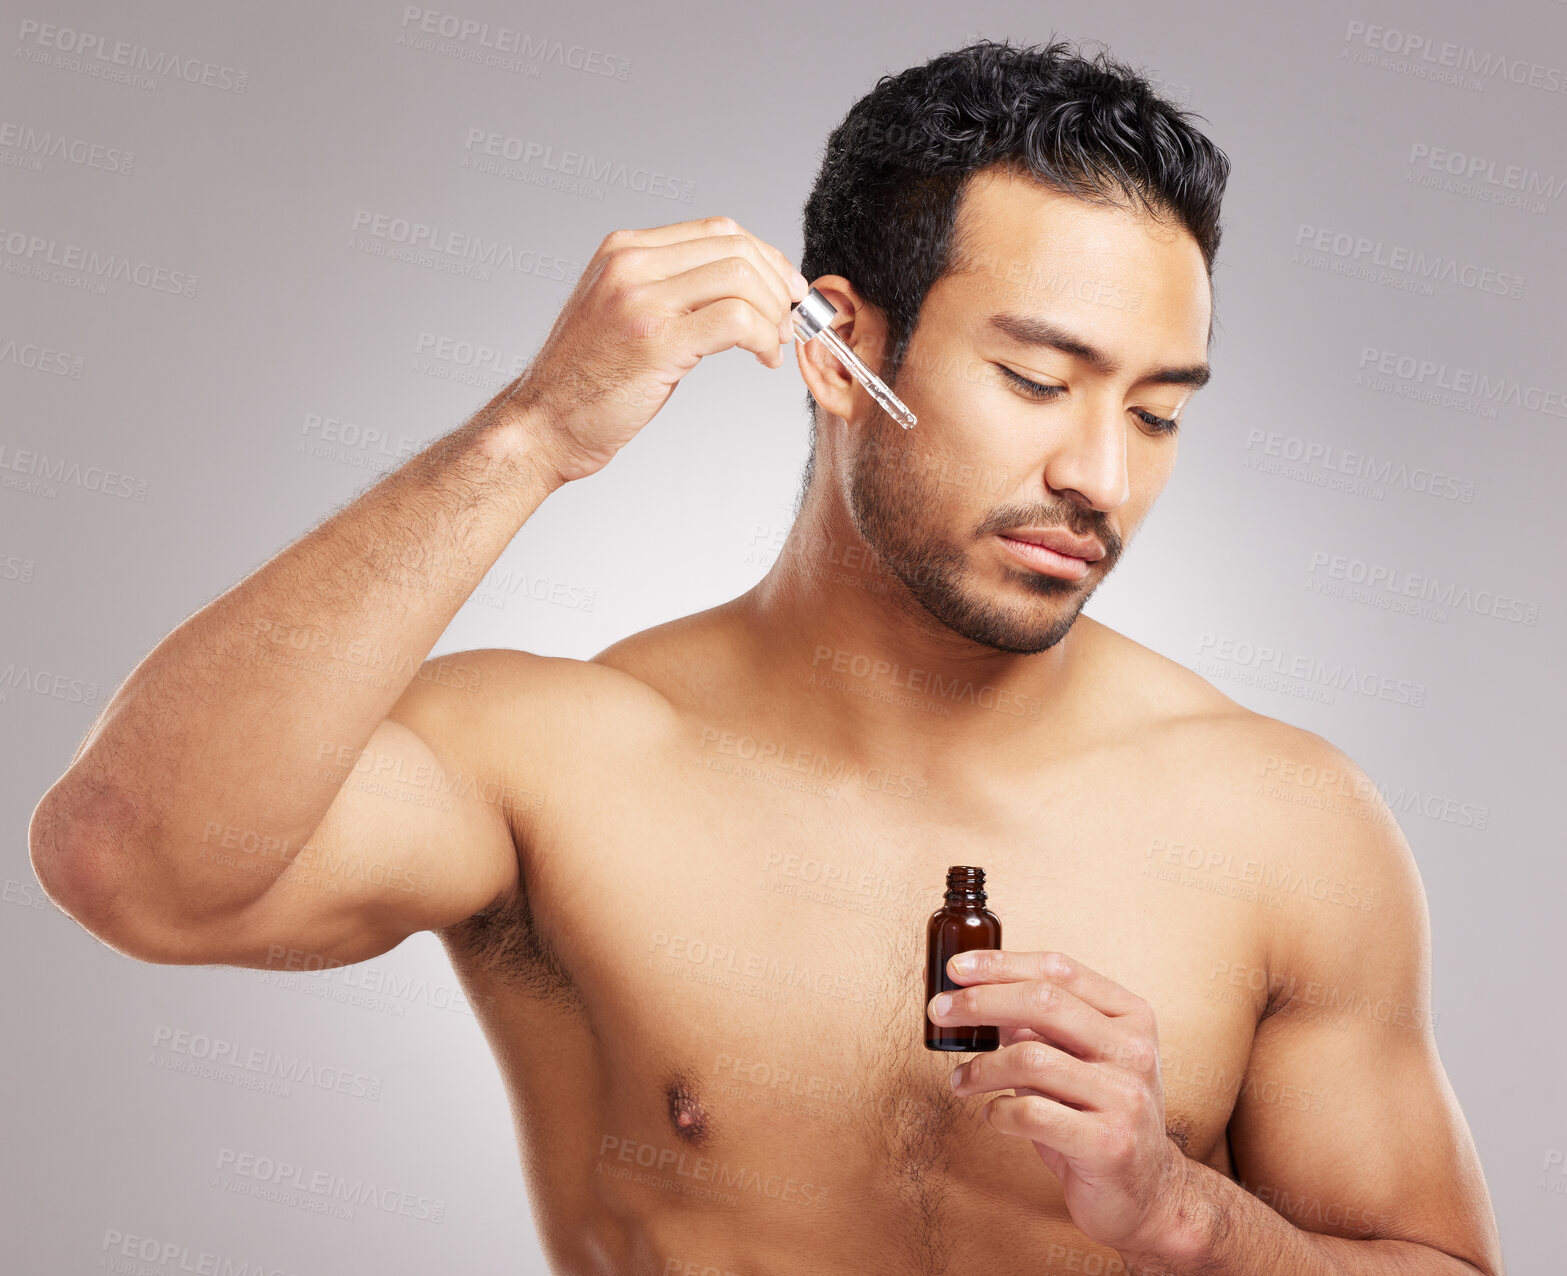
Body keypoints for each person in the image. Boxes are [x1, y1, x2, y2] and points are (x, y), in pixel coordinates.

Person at [29, 38, 1503, 1275]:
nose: (1100, 476)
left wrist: (1190, 1216)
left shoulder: (1288, 822)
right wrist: (528, 433)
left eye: (1160, 412)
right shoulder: (562, 761)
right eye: (1038, 379)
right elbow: (129, 861)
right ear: (837, 346)